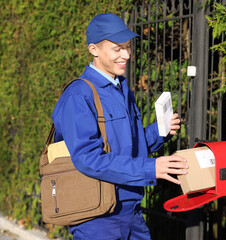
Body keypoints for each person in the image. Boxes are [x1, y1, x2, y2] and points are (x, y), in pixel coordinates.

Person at [52, 13, 188, 240]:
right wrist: (150, 168)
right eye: (117, 49)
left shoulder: (122, 88)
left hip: (131, 213)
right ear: (94, 49)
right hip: (97, 219)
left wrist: (159, 131)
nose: (126, 55)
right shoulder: (79, 95)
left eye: (127, 47)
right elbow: (88, 159)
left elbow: (128, 147)